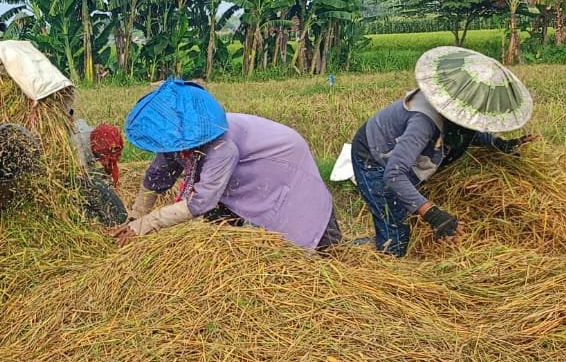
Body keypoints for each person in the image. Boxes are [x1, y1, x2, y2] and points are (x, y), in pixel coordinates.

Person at [112, 79, 339, 251]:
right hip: (248, 165)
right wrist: (135, 219)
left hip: (280, 163)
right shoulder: (176, 139)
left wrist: (147, 224)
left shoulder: (221, 147)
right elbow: (156, 177)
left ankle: (329, 249)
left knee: (303, 229)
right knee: (223, 228)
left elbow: (200, 203)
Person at [351, 46, 533, 257]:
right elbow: (394, 175)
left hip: (400, 157)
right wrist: (433, 215)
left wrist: (500, 144)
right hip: (372, 156)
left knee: (404, 214)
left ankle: (380, 240)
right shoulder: (423, 122)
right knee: (395, 235)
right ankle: (375, 254)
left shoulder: (457, 116)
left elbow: (470, 132)